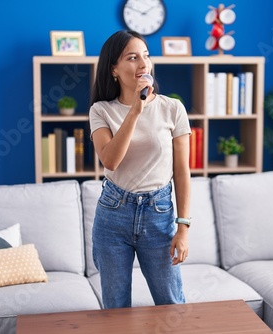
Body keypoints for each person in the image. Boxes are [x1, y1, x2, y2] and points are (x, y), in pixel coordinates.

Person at [88, 30, 192, 309]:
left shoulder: (173, 109)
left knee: (172, 304)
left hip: (159, 215)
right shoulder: (100, 111)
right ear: (114, 69)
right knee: (116, 309)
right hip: (113, 216)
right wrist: (135, 109)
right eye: (132, 58)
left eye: (146, 56)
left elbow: (182, 172)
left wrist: (183, 228)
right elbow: (110, 160)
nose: (143, 64)